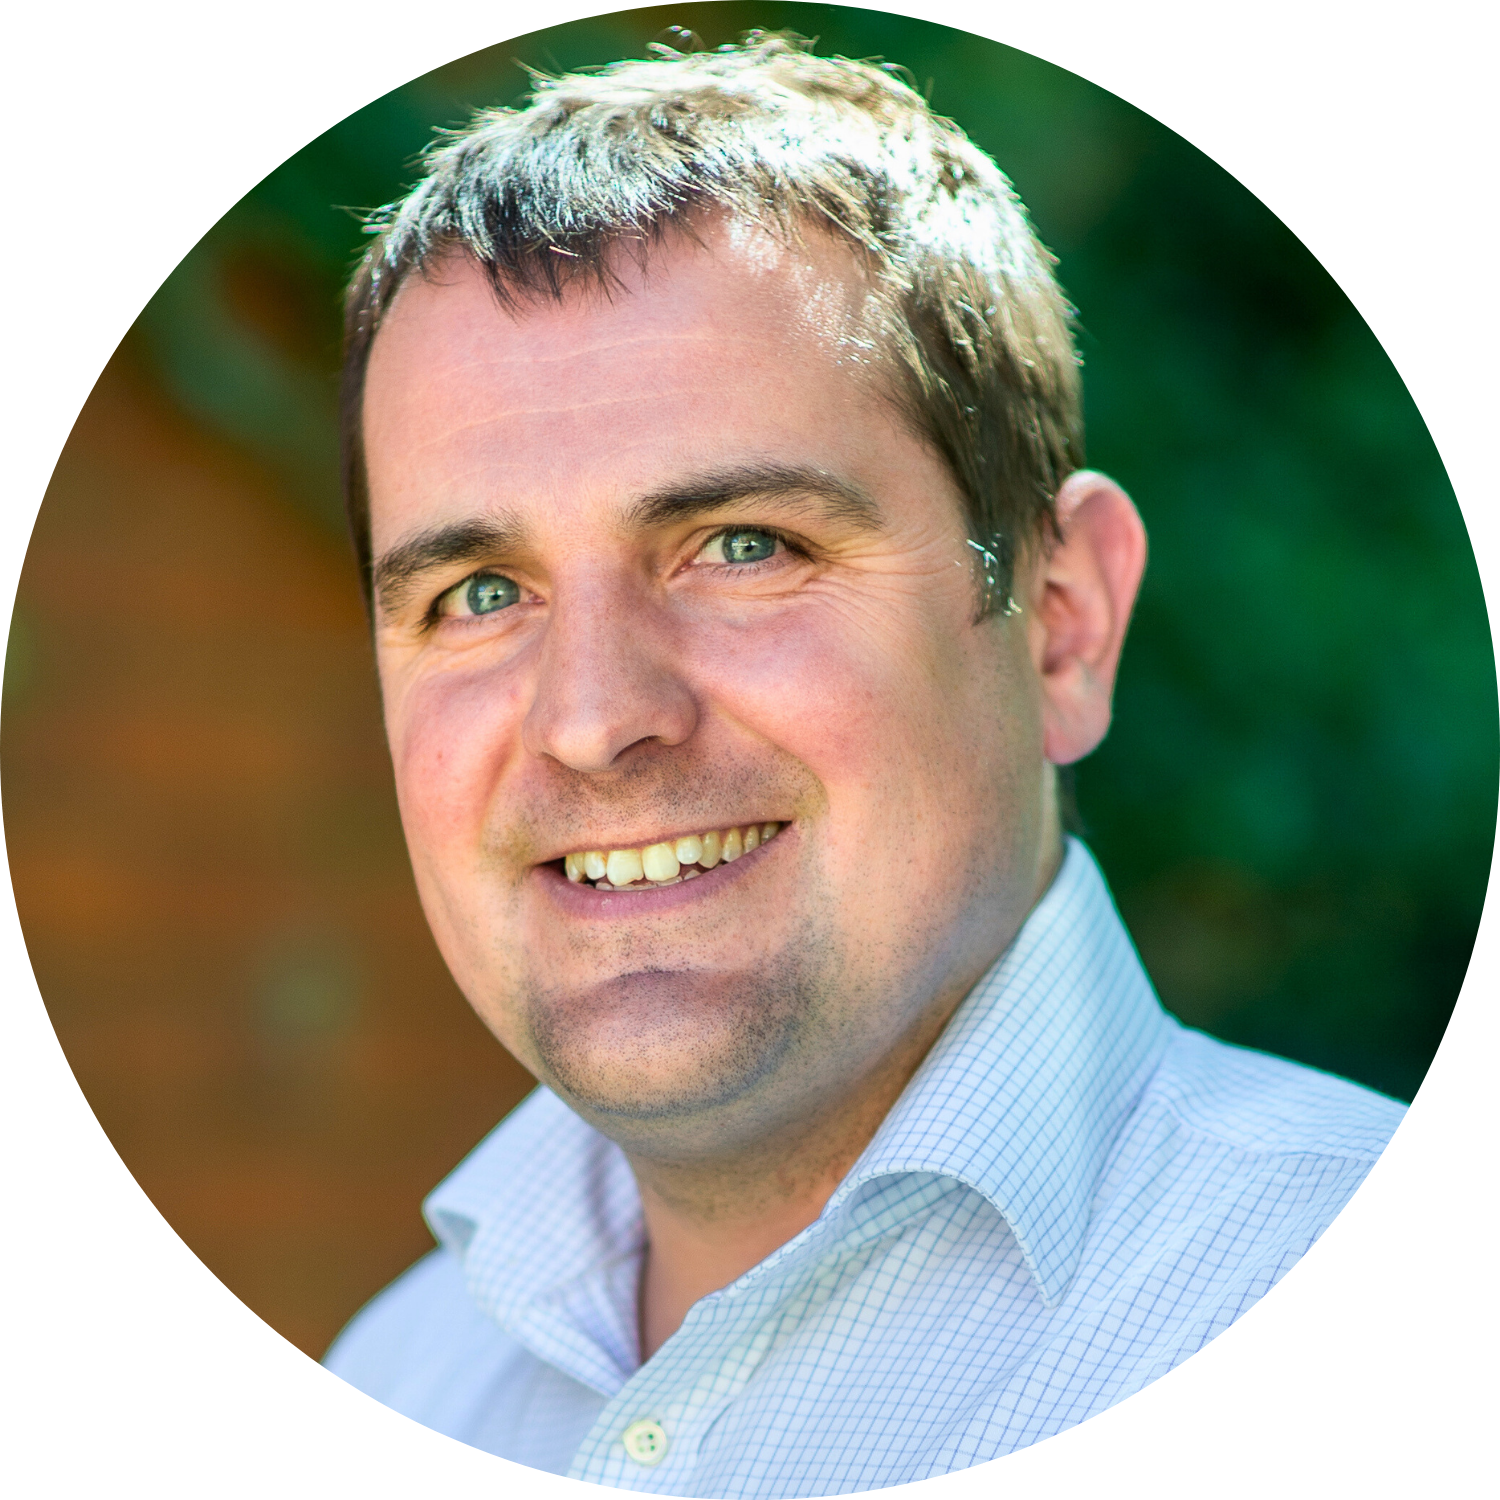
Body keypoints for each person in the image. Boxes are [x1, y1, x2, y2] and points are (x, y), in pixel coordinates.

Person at [323, 33, 1403, 1489]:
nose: (590, 717)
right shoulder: (401, 1369)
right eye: (480, 594)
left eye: (745, 547)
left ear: (1064, 625)